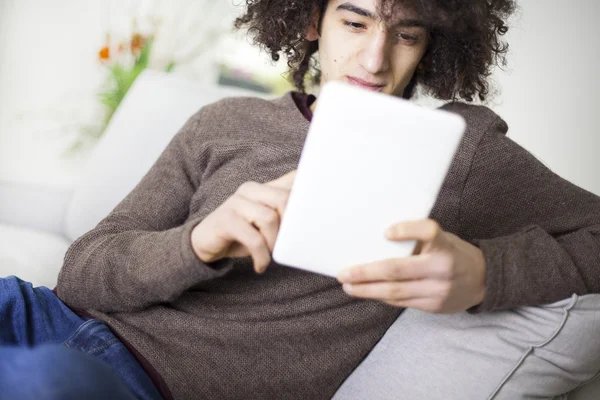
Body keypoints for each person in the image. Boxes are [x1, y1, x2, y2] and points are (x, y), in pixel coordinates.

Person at [1, 0, 599, 399]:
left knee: (38, 380)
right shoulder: (224, 121)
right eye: (356, 22)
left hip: (137, 385)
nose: (374, 58)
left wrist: (484, 276)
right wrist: (197, 242)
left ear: (430, 46)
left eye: (406, 34)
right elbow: (81, 273)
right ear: (313, 20)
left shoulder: (461, 153)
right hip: (47, 316)